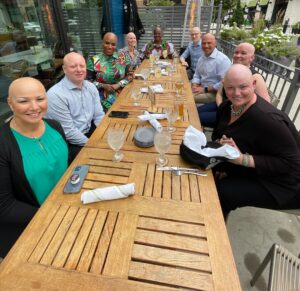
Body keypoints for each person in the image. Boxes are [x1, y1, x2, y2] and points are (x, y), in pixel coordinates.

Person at [212, 64, 300, 218]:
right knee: (205, 174)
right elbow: (218, 137)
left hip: (282, 182)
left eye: (243, 87)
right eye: (230, 88)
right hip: (254, 168)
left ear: (253, 84)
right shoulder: (227, 107)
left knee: (222, 192)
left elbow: (292, 163)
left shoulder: (267, 120)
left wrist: (241, 160)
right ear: (224, 87)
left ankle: (214, 238)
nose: (236, 93)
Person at [0, 77, 68, 258]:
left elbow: (63, 163)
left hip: (68, 212)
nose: (34, 107)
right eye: (23, 101)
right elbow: (4, 207)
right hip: (32, 230)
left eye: (40, 99)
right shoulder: (3, 144)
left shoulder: (55, 126)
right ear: (10, 103)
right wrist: (54, 216)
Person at [46, 52, 105, 162]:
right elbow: (69, 132)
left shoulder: (91, 87)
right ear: (64, 69)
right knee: (100, 161)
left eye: (82, 66)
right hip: (70, 143)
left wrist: (102, 135)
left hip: (89, 131)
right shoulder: (55, 95)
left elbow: (99, 115)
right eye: (73, 66)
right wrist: (94, 145)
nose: (79, 70)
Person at [198, 42, 270, 127]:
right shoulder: (232, 71)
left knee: (194, 117)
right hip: (223, 106)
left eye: (243, 53)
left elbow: (266, 105)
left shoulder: (255, 77)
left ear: (252, 57)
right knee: (193, 112)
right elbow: (220, 93)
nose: (238, 55)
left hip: (237, 115)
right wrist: (221, 107)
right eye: (236, 52)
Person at [87, 32, 132, 112]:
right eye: (107, 43)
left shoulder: (123, 57)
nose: (110, 47)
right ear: (102, 43)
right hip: (101, 98)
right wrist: (102, 85)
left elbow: (130, 75)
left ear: (116, 45)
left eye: (113, 44)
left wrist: (118, 84)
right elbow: (87, 81)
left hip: (123, 93)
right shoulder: (94, 60)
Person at [191, 33, 231, 104]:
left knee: (187, 98)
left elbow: (224, 83)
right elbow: (197, 75)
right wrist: (194, 84)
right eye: (204, 43)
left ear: (215, 44)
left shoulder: (222, 60)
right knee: (181, 91)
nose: (206, 46)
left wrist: (205, 89)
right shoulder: (202, 58)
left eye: (209, 43)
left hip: (215, 93)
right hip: (201, 88)